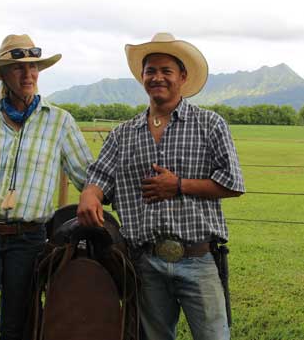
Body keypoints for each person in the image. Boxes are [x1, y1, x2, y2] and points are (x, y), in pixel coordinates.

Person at [77, 32, 245, 340]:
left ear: (182, 76)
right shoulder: (123, 134)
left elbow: (233, 182)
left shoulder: (209, 125)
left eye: (166, 71)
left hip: (198, 258)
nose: (158, 77)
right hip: (146, 261)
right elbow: (100, 175)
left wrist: (179, 185)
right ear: (142, 77)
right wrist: (90, 194)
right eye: (150, 71)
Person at [0, 34, 93, 340]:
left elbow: (87, 176)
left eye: (34, 67)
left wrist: (100, 191)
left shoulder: (59, 122)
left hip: (28, 239)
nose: (28, 74)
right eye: (19, 68)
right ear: (4, 75)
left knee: (17, 328)